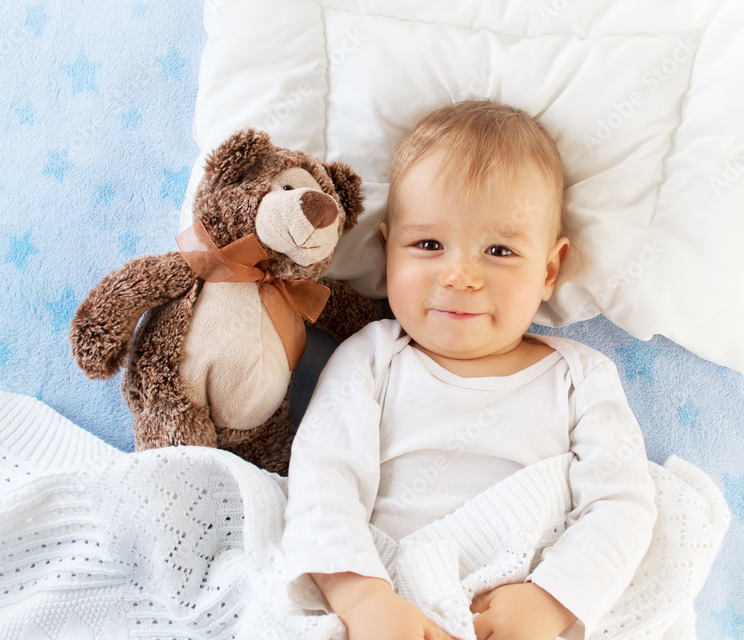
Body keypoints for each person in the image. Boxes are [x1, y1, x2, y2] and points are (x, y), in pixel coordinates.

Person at [281, 100, 657, 640]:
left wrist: (552, 603)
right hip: (385, 593)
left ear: (549, 270)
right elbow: (322, 480)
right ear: (389, 252)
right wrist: (363, 599)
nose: (459, 275)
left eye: (499, 250)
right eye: (429, 244)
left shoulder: (580, 378)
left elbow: (621, 505)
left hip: (521, 606)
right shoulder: (372, 358)